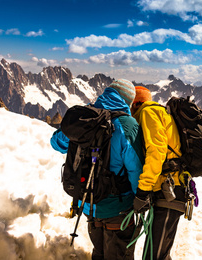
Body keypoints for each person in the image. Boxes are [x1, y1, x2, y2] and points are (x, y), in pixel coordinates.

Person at [50, 79, 144, 260]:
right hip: (118, 208)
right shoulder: (126, 124)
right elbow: (135, 170)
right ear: (127, 101)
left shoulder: (85, 119)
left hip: (89, 204)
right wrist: (141, 198)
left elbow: (56, 143)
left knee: (99, 252)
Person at [131, 86, 188, 260]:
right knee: (158, 254)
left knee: (154, 255)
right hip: (171, 190)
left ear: (136, 103)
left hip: (169, 191)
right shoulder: (159, 112)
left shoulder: (148, 113)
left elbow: (156, 152)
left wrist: (143, 190)